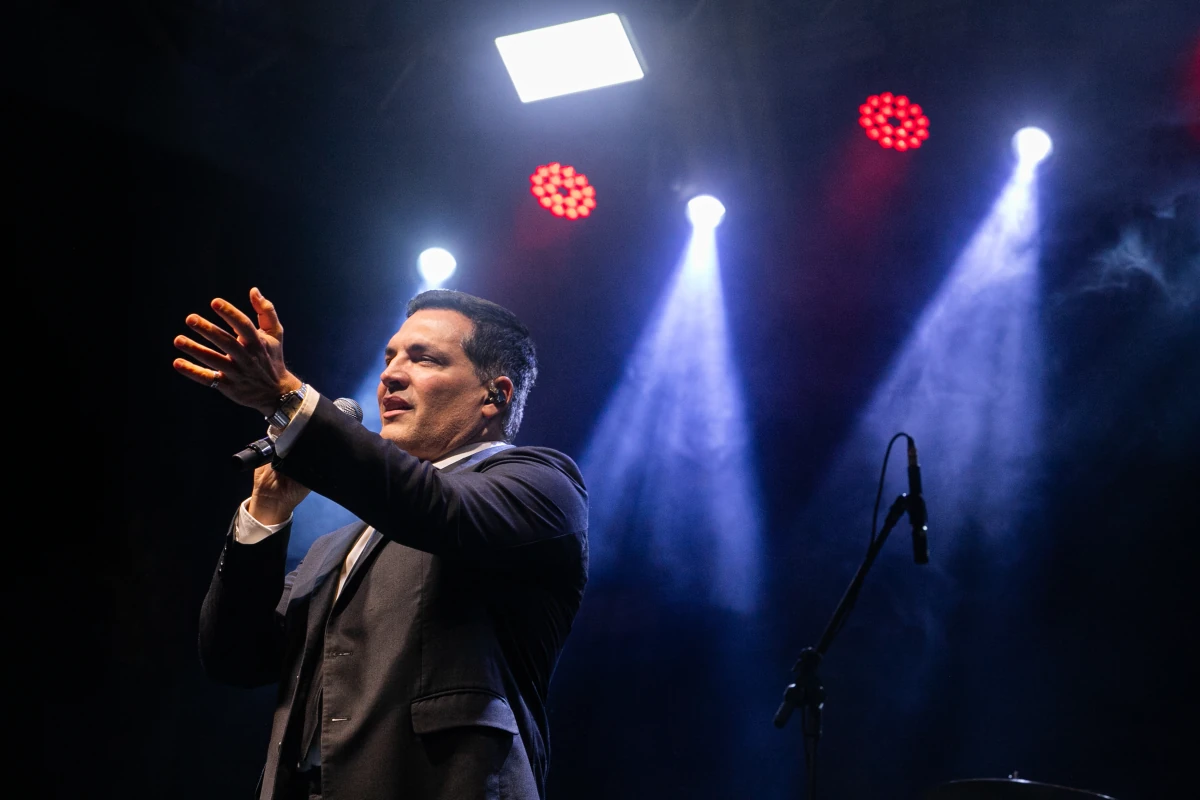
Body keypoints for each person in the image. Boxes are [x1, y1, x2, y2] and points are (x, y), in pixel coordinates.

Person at [173, 286, 589, 800]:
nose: (390, 374)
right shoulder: (334, 549)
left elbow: (437, 509)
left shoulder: (542, 485)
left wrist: (291, 400)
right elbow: (236, 658)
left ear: (494, 396)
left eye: (425, 359)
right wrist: (266, 513)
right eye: (390, 357)